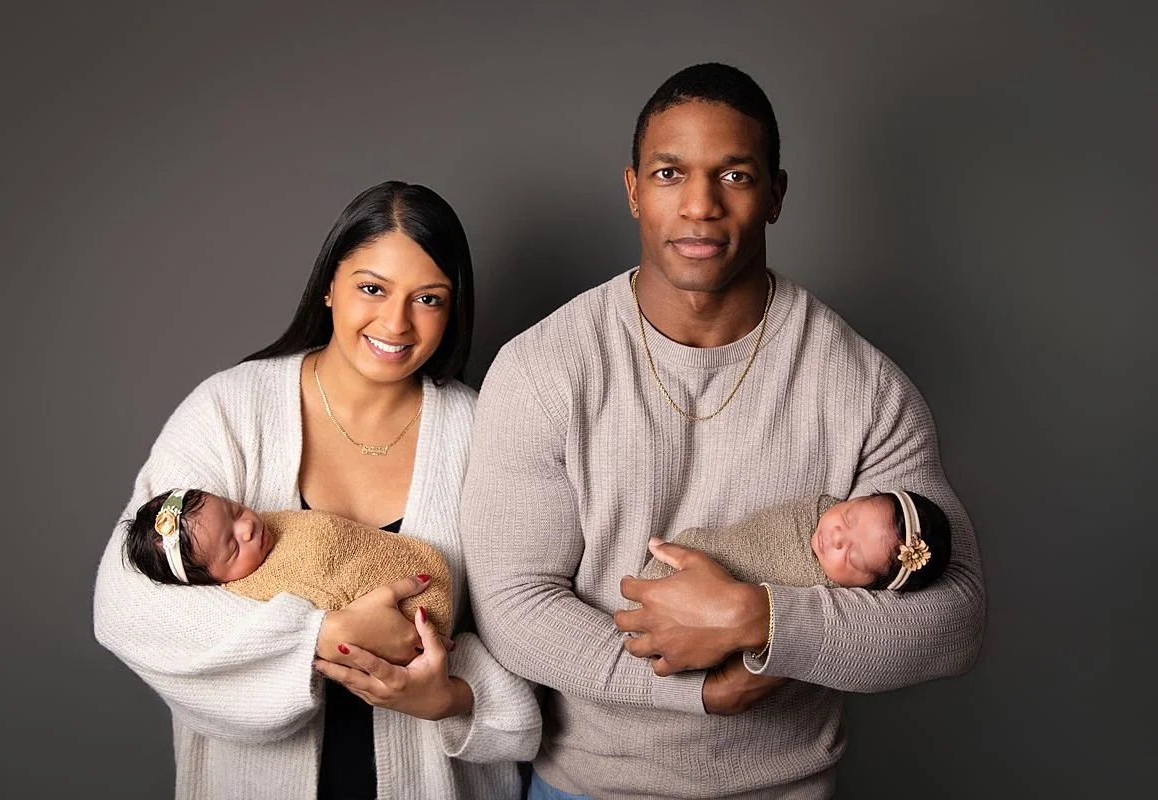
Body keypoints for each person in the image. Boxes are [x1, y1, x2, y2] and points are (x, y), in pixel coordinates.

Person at [461, 63, 985, 799]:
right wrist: (696, 693)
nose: (701, 206)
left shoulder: (862, 386)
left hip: (787, 789)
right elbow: (514, 608)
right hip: (588, 790)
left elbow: (954, 620)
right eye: (671, 173)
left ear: (776, 194)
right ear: (635, 191)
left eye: (734, 176)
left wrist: (758, 618)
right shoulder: (545, 369)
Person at [94, 181, 541, 800]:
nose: (396, 321)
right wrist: (320, 636)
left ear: (453, 308)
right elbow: (127, 604)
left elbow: (531, 619)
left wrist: (454, 697)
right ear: (330, 285)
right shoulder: (231, 409)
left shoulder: (483, 430)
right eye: (372, 288)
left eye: (429, 298)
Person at [122, 488, 456, 635]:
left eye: (234, 510)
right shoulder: (252, 591)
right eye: (233, 546)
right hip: (402, 614)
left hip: (411, 562)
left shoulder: (269, 523)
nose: (248, 526)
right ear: (215, 580)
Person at [630, 489, 952, 594]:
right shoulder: (816, 510)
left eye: (852, 557)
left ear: (867, 586)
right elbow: (746, 543)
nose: (837, 536)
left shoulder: (822, 594)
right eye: (849, 516)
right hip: (704, 548)